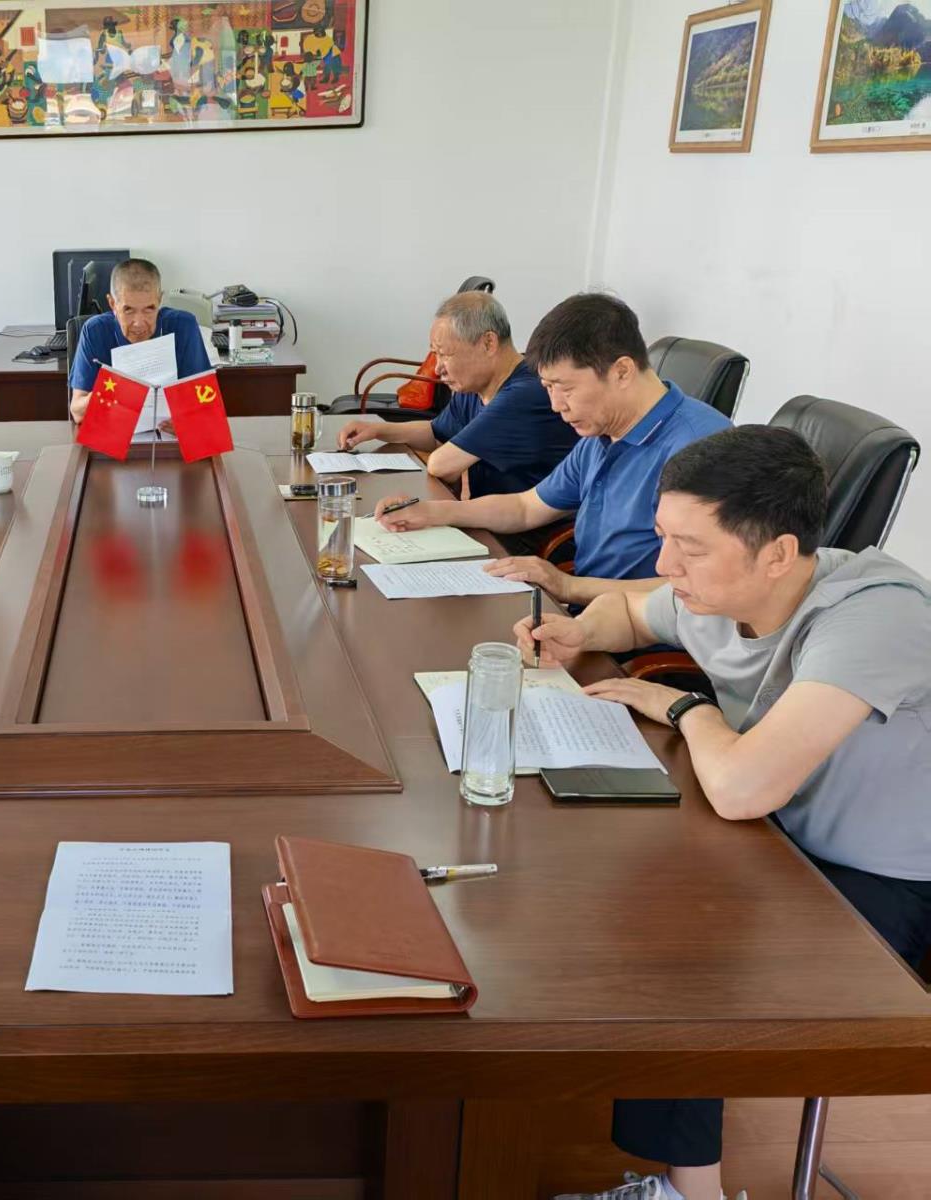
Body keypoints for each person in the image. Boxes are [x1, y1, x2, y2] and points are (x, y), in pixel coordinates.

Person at [518, 427, 931, 1200]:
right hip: (783, 841)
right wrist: (577, 630)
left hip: (884, 883)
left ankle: (690, 1192)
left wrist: (688, 709)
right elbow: (633, 616)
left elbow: (742, 789)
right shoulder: (718, 593)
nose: (666, 564)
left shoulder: (875, 618)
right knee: (623, 888)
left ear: (777, 553)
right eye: (663, 537)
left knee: (680, 952)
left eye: (689, 547)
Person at [373, 293, 731, 608]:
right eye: (547, 388)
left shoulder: (702, 449)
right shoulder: (601, 433)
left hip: (645, 640)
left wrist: (568, 587)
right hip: (589, 612)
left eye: (565, 388)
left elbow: (699, 589)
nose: (557, 406)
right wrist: (433, 512)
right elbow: (526, 507)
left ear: (621, 371)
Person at [338, 291, 578, 498]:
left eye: (445, 354)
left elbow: (441, 465)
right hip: (491, 517)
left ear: (488, 343)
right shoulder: (475, 385)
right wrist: (378, 430)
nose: (437, 368)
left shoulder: (524, 394)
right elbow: (436, 433)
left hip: (527, 530)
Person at [68, 258, 211, 424]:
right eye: (128, 310)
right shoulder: (95, 331)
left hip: (168, 436)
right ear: (112, 303)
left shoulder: (183, 326)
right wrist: (108, 393)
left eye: (149, 309)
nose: (139, 323)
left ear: (159, 300)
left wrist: (186, 420)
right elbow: (77, 412)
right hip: (114, 432)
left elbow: (205, 403)